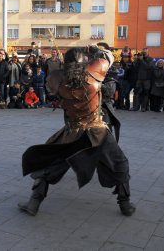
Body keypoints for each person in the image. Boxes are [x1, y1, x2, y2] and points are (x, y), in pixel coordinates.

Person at [18, 47, 134, 217]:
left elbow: (52, 90)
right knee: (119, 164)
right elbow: (108, 56)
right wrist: (95, 49)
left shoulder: (57, 78)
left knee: (49, 163)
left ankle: (34, 202)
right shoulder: (95, 71)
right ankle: (125, 205)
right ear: (85, 62)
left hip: (72, 131)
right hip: (97, 131)